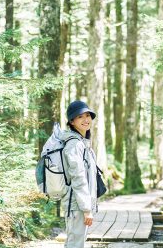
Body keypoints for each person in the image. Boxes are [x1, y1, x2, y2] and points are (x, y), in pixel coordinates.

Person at [59, 100, 98, 248]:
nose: (86, 119)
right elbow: (78, 178)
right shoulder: (74, 145)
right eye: (80, 116)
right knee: (75, 244)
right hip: (77, 205)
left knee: (74, 243)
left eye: (88, 115)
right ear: (72, 121)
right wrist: (86, 209)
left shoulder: (82, 142)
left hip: (79, 204)